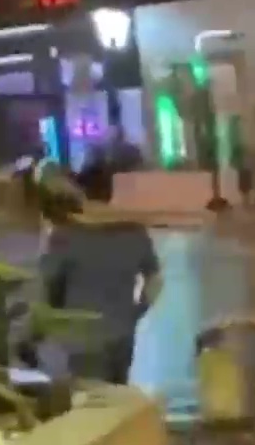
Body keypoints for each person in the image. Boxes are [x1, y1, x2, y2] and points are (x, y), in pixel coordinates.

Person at [39, 164, 162, 385]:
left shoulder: (66, 233)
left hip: (81, 337)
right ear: (111, 192)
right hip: (123, 333)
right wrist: (137, 311)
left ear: (81, 192)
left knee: (91, 403)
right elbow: (155, 280)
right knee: (117, 397)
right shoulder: (134, 231)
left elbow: (47, 285)